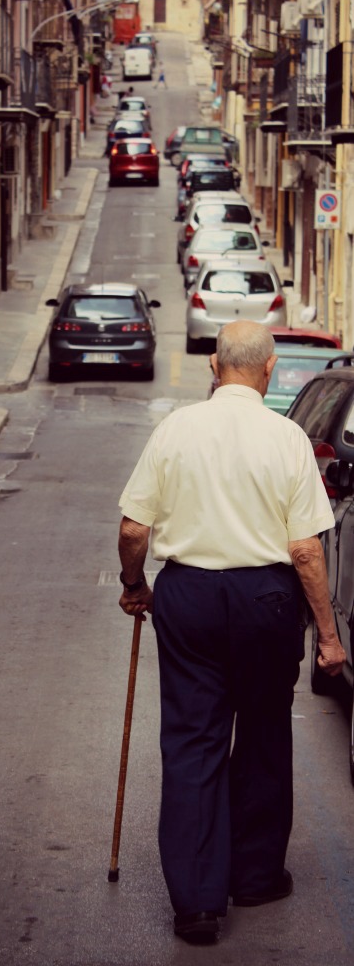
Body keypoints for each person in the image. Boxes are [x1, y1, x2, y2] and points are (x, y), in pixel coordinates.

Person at [117, 320, 346, 945]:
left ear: (214, 367)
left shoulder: (175, 431)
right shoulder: (288, 438)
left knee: (193, 739)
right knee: (266, 732)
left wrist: (135, 583)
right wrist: (327, 635)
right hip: (267, 599)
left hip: (188, 595)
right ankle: (255, 876)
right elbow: (305, 549)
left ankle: (196, 902)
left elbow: (135, 528)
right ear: (269, 370)